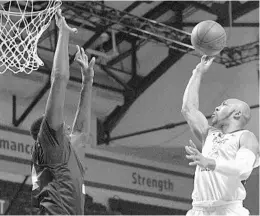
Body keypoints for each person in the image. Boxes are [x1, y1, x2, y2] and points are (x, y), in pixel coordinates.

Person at [30, 9, 95, 215]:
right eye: (60, 124)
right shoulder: (49, 143)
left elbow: (82, 133)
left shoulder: (66, 151)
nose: (66, 125)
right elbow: (59, 79)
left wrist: (88, 83)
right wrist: (63, 34)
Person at [181, 55, 259, 216]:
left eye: (224, 105)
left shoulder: (246, 137)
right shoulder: (209, 134)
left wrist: (209, 162)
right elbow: (188, 109)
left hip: (228, 210)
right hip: (198, 209)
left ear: (237, 113)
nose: (216, 107)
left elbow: (243, 170)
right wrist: (197, 73)